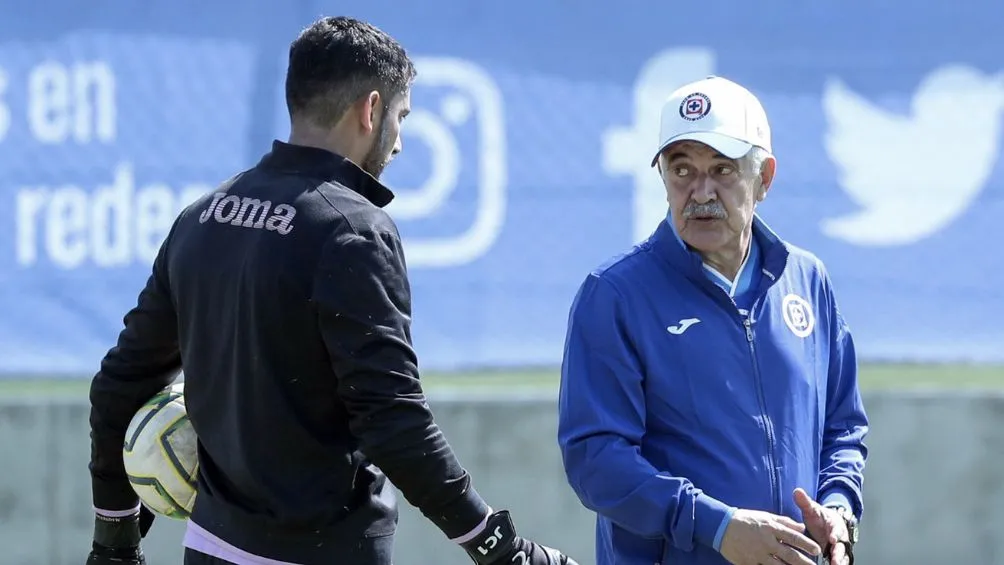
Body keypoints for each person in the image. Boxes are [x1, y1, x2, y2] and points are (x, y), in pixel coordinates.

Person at [85, 15, 578, 565]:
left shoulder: (202, 217)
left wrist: (115, 540)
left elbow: (118, 385)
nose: (400, 142)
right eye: (401, 116)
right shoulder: (352, 229)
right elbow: (391, 418)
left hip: (209, 548)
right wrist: (498, 546)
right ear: (370, 110)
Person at [556, 75, 868, 565]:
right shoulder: (615, 294)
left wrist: (838, 509)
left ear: (764, 178)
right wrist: (717, 527)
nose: (700, 191)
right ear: (662, 177)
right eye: (682, 170)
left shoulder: (807, 280)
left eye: (722, 170)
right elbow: (595, 460)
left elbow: (843, 427)